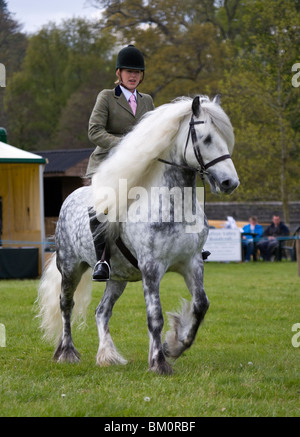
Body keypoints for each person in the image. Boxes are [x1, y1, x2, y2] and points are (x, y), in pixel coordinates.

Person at [86, 45, 155, 281]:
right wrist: (124, 145)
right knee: (102, 205)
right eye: (128, 71)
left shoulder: (147, 101)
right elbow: (94, 131)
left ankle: (190, 246)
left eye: (137, 72)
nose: (133, 75)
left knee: (178, 188)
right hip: (107, 163)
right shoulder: (107, 97)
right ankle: (102, 260)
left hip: (139, 164)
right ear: (119, 73)